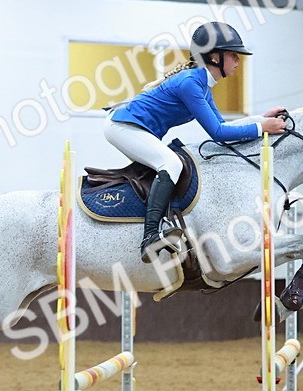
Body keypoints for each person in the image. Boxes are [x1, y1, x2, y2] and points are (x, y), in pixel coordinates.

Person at [105, 21, 287, 262]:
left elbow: (223, 127)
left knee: (169, 164)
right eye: (233, 55)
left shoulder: (201, 86)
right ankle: (150, 236)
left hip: (133, 128)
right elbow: (219, 134)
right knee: (171, 163)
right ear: (214, 57)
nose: (238, 61)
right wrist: (261, 128)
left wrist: (261, 120)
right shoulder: (190, 83)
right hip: (122, 127)